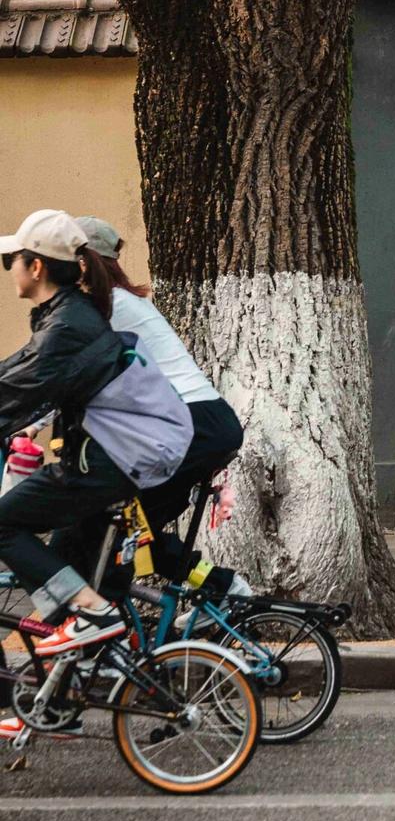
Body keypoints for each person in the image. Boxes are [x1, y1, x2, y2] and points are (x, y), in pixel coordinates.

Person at [0, 210, 144, 659]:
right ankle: (61, 685)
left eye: (13, 261)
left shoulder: (67, 326)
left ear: (36, 266)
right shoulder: (62, 317)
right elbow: (16, 376)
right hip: (100, 461)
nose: (10, 272)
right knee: (56, 563)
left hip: (97, 465)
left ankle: (93, 614)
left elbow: (15, 389)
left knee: (3, 526)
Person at [76, 217, 244, 573]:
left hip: (193, 423)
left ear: (83, 262)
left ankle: (219, 589)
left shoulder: (107, 308)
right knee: (137, 531)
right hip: (201, 421)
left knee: (119, 526)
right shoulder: (119, 302)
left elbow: (65, 369)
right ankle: (216, 592)